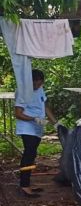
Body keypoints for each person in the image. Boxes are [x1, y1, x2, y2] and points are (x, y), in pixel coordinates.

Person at [14, 69, 58, 197]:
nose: (37, 86)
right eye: (34, 84)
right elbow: (18, 113)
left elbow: (44, 106)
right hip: (27, 128)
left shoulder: (40, 89)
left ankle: (27, 183)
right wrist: (33, 119)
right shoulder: (23, 91)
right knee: (28, 154)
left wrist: (55, 122)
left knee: (32, 155)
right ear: (29, 82)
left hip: (37, 128)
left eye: (39, 84)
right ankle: (24, 185)